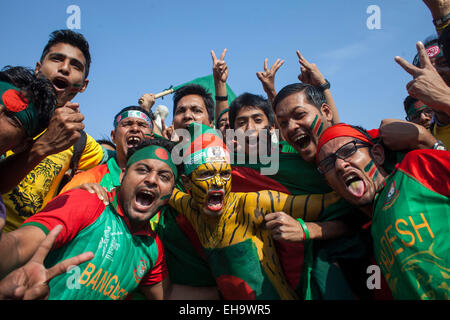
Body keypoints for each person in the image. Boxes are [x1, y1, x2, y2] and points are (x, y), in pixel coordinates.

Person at [0, 138, 218, 300]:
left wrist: (227, 293)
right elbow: (19, 243)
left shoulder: (152, 248)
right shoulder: (88, 202)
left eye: (164, 177)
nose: (152, 180)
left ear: (171, 191)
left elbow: (166, 294)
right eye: (142, 170)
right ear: (122, 176)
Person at [168, 123, 343, 300]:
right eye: (207, 174)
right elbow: (166, 188)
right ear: (187, 182)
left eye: (225, 174)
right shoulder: (190, 208)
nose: (218, 183)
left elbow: (329, 202)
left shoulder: (251, 204)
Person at [316, 123, 450, 299]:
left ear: (377, 154)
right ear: (330, 185)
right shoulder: (369, 242)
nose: (340, 165)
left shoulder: (413, 168)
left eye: (348, 150)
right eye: (328, 164)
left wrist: (430, 142)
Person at [1, 30, 112, 232]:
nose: (64, 68)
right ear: (38, 68)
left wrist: (78, 191)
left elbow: (118, 160)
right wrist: (43, 146)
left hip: (23, 252)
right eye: (56, 59)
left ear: (83, 86)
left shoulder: (79, 141)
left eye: (75, 65)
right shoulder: (5, 111)